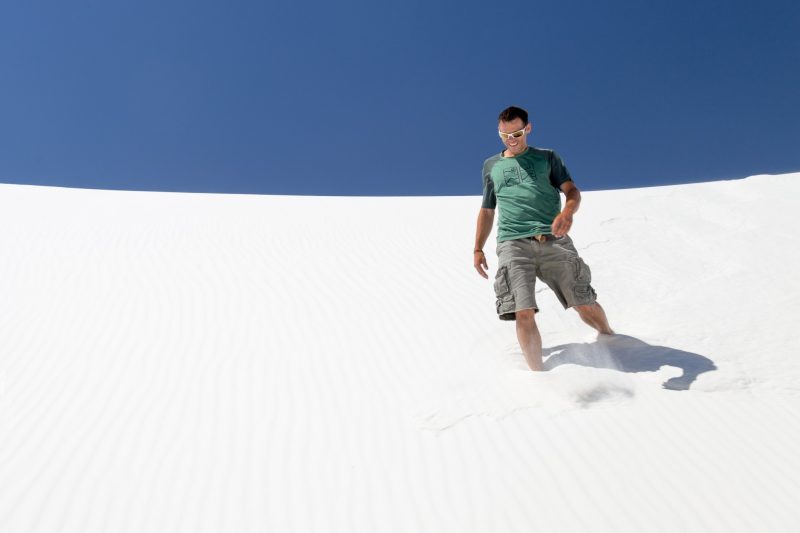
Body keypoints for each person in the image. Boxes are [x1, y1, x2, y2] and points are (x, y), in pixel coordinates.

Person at [473, 105, 613, 371]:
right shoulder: (491, 166)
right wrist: (477, 248)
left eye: (516, 134)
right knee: (522, 311)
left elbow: (572, 191)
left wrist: (567, 213)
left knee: (583, 302)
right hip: (512, 243)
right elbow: (487, 209)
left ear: (528, 128)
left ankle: (612, 339)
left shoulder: (547, 158)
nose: (511, 140)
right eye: (504, 135)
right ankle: (539, 377)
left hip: (553, 238)